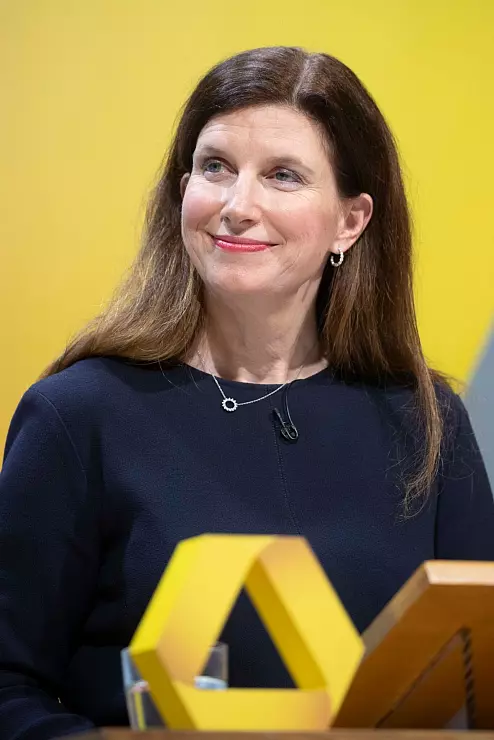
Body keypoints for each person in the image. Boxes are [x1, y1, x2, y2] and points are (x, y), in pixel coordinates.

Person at [0, 45, 492, 739]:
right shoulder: (77, 416)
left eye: (283, 176)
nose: (237, 206)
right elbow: (9, 689)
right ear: (183, 191)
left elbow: (478, 688)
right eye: (215, 168)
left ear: (350, 221)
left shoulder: (427, 421)